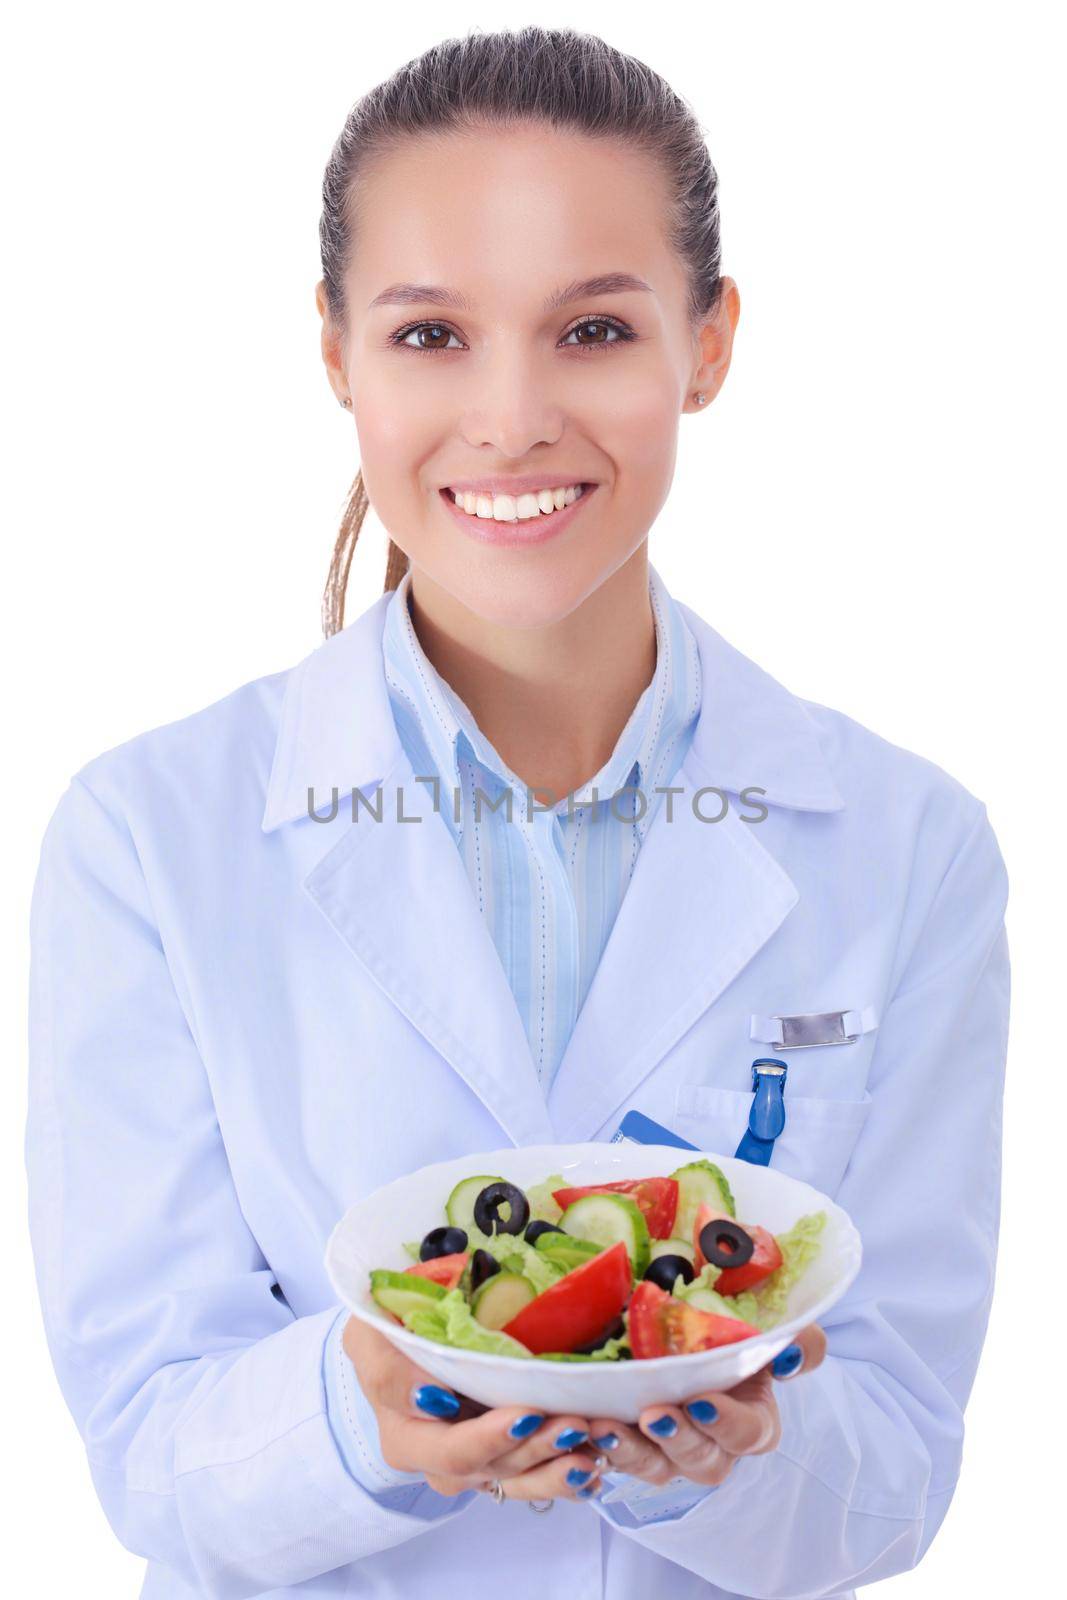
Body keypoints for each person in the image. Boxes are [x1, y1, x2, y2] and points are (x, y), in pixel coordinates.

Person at [24, 24, 1010, 1600]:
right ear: (336, 353)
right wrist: (360, 1427)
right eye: (430, 338)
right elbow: (149, 1448)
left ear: (709, 343)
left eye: (594, 330)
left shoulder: (910, 848)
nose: (510, 419)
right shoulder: (148, 838)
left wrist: (737, 1463)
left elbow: (894, 1475)